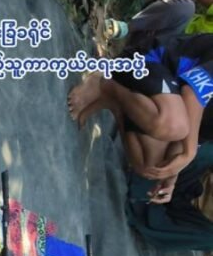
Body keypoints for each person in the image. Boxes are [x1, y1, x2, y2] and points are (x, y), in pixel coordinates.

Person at [67, 32, 212, 204]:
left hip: (163, 97)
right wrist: (189, 154)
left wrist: (173, 173)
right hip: (147, 60)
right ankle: (104, 83)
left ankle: (115, 102)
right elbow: (192, 94)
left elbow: (192, 139)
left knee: (152, 167)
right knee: (174, 126)